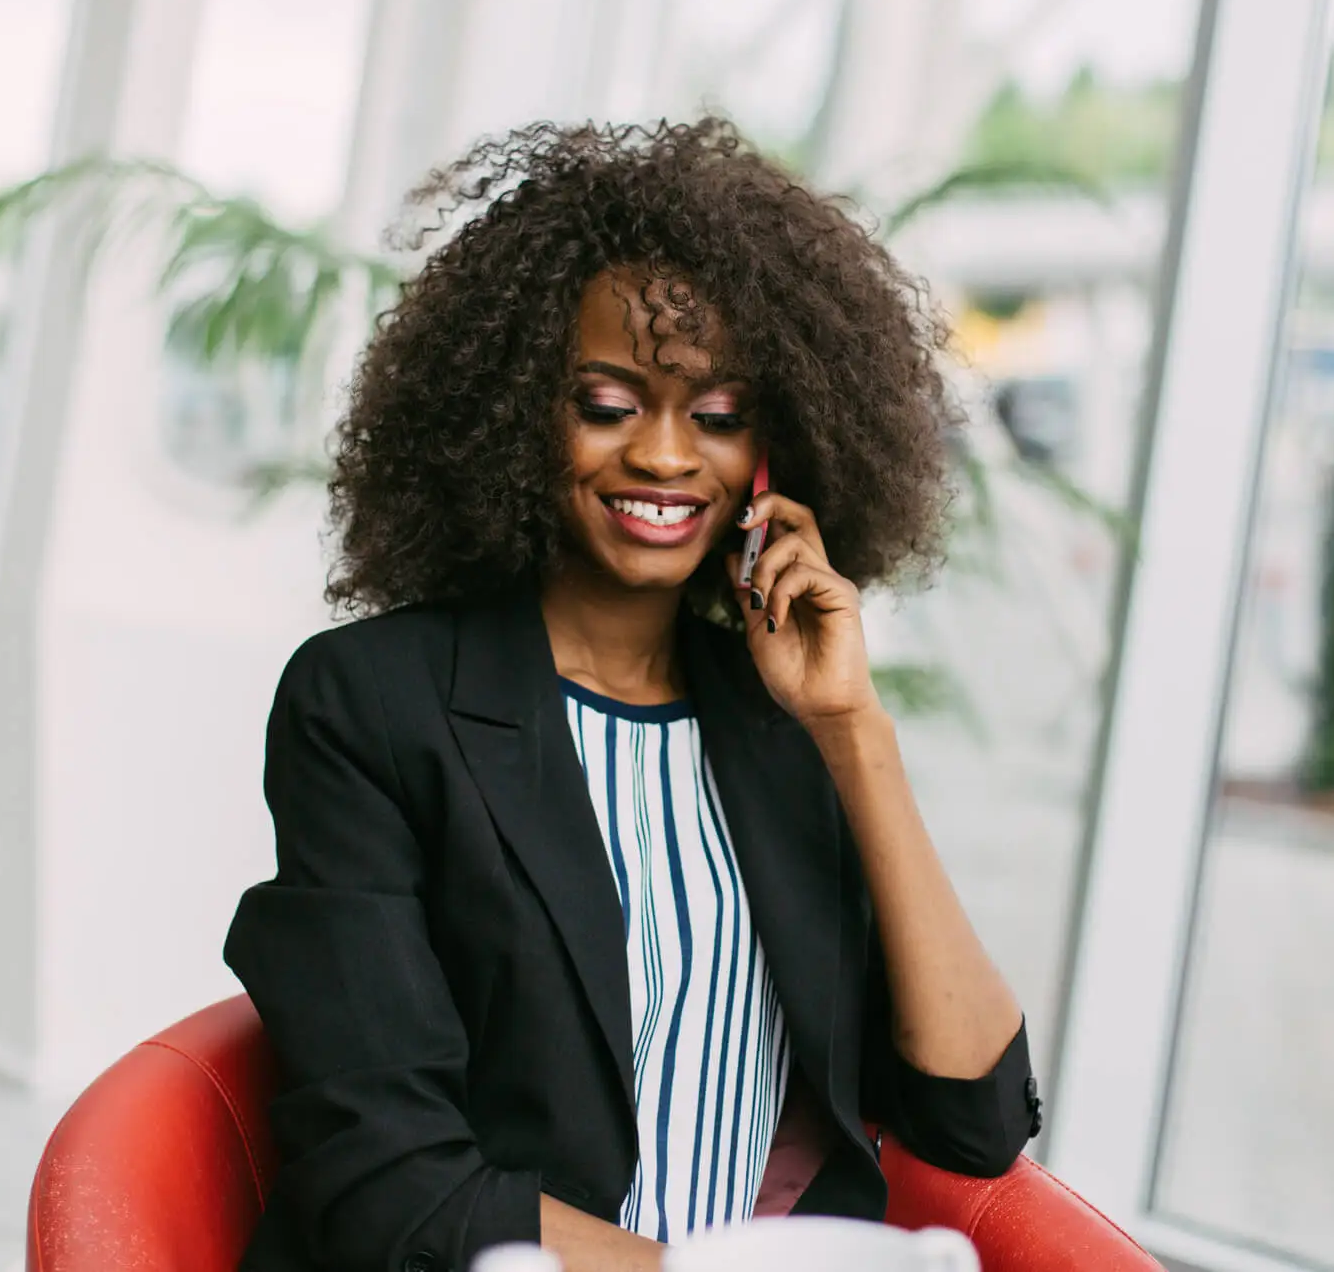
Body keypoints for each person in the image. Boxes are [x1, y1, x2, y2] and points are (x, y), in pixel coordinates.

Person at [225, 119, 1039, 1272]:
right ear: (515, 415)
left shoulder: (776, 731)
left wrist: (852, 732)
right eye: (607, 403)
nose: (664, 456)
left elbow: (974, 1118)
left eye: (715, 415)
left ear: (773, 448)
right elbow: (390, 1184)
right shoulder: (372, 706)